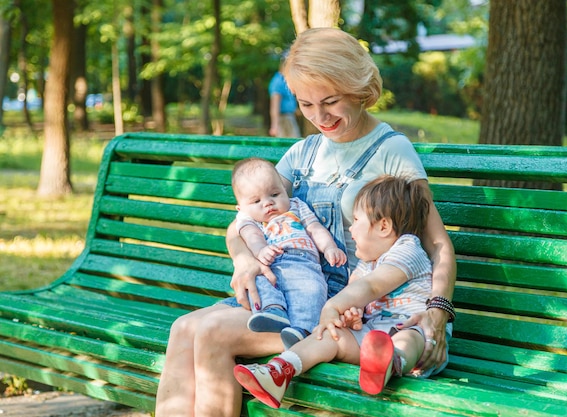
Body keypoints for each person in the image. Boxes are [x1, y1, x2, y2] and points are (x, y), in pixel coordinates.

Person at [154, 27, 456, 417]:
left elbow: (437, 244)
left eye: (330, 101)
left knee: (211, 334)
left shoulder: (391, 150)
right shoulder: (304, 153)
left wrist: (438, 310)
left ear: (359, 87)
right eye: (306, 104)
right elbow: (244, 218)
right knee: (183, 328)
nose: (319, 117)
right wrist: (243, 258)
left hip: (348, 309)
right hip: (291, 291)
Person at [233, 175, 454, 408]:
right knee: (330, 335)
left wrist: (333, 307)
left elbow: (371, 286)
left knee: (410, 336)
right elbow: (355, 293)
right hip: (371, 339)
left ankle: (391, 362)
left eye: (356, 220)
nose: (352, 229)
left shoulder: (408, 248)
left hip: (415, 335)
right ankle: (280, 371)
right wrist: (350, 314)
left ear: (384, 226)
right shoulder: (367, 262)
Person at [231, 157, 347, 346]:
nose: (268, 203)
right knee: (261, 281)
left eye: (274, 194)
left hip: (304, 264)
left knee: (313, 290)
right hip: (270, 264)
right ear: (241, 208)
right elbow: (251, 236)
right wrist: (260, 250)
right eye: (256, 201)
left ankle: (302, 329)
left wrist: (329, 247)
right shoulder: (247, 219)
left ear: (285, 190)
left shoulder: (297, 206)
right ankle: (272, 311)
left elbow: (314, 228)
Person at [268, 54, 301, 138]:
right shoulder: (278, 82)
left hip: (289, 117)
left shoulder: (286, 80)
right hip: (283, 118)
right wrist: (274, 126)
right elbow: (275, 104)